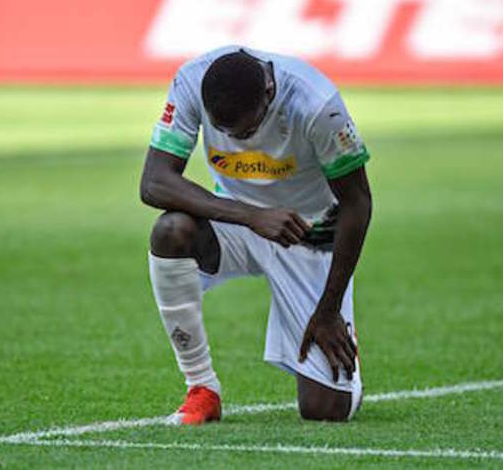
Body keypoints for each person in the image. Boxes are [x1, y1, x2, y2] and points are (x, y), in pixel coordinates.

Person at [139, 46, 372, 424]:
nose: (239, 139)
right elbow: (154, 182)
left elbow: (358, 203)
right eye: (227, 131)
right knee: (171, 232)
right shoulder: (192, 82)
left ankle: (341, 338)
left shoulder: (317, 104)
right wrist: (252, 216)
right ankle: (202, 388)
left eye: (247, 129)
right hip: (239, 219)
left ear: (268, 92)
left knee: (325, 410)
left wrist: (328, 309)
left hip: (307, 234)